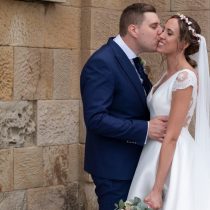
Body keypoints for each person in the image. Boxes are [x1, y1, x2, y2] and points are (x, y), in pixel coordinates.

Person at [80, 3, 168, 210]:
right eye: (154, 26)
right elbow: (95, 119)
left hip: (136, 164)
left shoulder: (131, 61)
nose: (160, 32)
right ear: (134, 30)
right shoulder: (103, 62)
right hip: (114, 170)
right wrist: (145, 129)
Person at [128, 14, 210, 210]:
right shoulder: (167, 74)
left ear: (183, 44)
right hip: (153, 151)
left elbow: (172, 136)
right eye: (163, 29)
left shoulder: (185, 77)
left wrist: (157, 189)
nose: (161, 35)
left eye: (169, 33)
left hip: (172, 156)